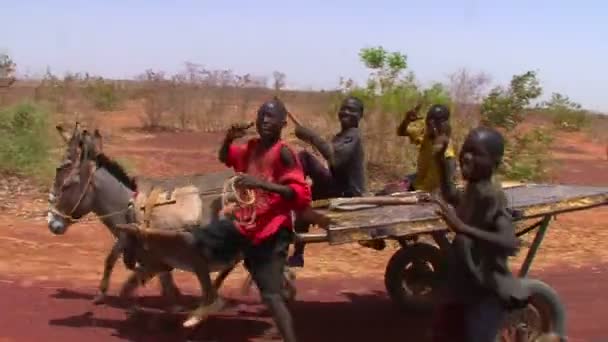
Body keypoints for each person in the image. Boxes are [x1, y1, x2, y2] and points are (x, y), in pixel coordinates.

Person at [193, 97, 312, 342]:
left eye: (271, 116)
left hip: (272, 231)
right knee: (195, 240)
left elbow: (298, 195)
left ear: (282, 123)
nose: (265, 120)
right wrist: (228, 138)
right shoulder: (252, 147)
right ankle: (212, 297)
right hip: (246, 225)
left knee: (270, 296)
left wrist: (261, 183)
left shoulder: (285, 153)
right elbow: (225, 157)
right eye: (261, 116)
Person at [428, 126, 530, 341]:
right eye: (466, 150)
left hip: (484, 292)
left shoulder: (493, 196)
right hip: (466, 284)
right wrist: (440, 161)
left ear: (495, 163)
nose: (466, 156)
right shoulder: (475, 188)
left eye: (476, 153)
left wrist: (463, 228)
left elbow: (509, 242)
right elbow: (451, 195)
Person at [287, 96, 366, 267]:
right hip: (338, 186)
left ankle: (288, 193)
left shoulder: (354, 135)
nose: (346, 112)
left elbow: (335, 159)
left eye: (351, 110)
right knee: (305, 199)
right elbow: (332, 160)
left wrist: (312, 136)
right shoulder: (342, 136)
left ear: (360, 115)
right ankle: (298, 254)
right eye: (344, 108)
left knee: (305, 158)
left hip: (349, 193)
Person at [395, 103, 457, 193]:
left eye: (435, 123)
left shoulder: (447, 154)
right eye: (429, 122)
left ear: (443, 125)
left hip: (426, 194)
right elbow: (401, 132)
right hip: (417, 184)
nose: (431, 126)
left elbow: (448, 185)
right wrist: (406, 120)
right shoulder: (425, 134)